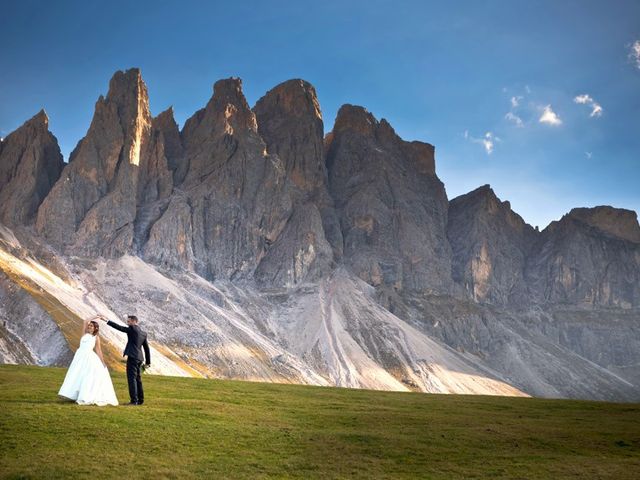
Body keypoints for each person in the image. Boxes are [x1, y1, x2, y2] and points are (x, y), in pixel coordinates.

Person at [58, 316, 118, 406]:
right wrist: (96, 316)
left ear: (95, 328)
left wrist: (102, 362)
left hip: (89, 357)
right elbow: (85, 320)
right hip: (79, 356)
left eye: (91, 326)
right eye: (89, 326)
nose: (89, 327)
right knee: (76, 374)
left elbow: (98, 350)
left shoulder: (96, 337)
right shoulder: (84, 334)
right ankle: (74, 394)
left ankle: (85, 395)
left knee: (87, 376)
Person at [100, 314, 150, 406]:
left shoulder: (132, 329)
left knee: (132, 379)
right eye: (127, 322)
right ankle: (140, 400)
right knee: (138, 379)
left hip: (132, 357)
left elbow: (120, 328)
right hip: (139, 359)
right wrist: (148, 362)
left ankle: (133, 401)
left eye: (129, 321)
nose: (128, 323)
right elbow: (146, 349)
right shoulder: (143, 333)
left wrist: (106, 320)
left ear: (135, 321)